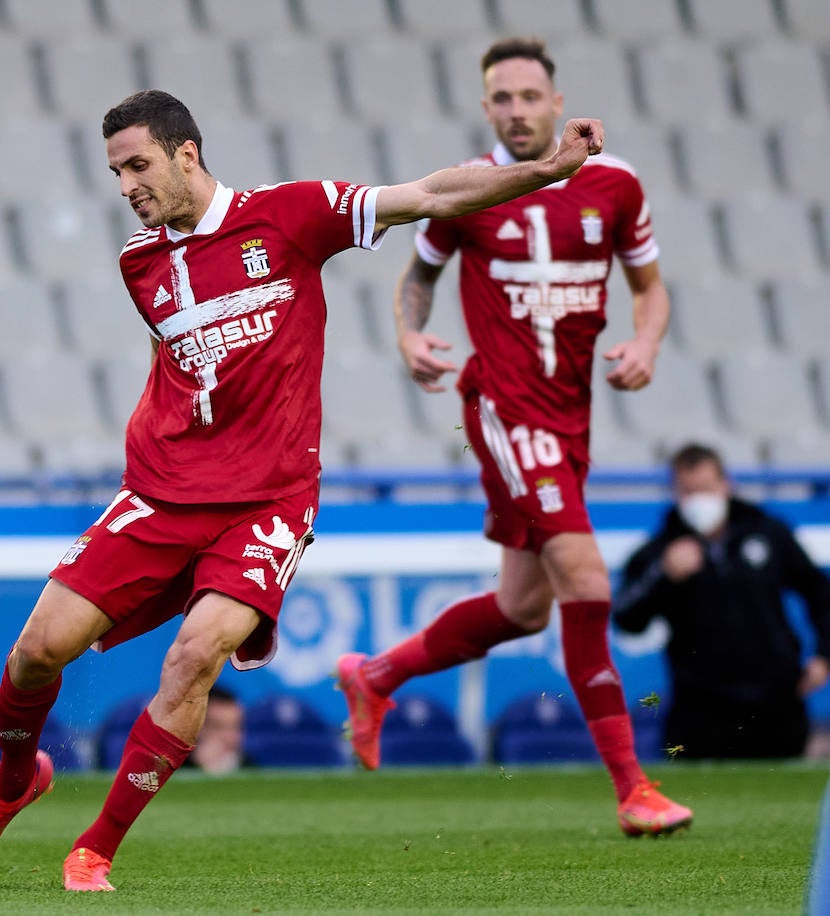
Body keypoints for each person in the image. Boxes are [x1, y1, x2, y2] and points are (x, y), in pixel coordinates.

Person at [0, 87, 610, 893]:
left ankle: (94, 848)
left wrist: (548, 170)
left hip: (267, 502)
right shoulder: (140, 262)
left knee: (196, 654)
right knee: (35, 653)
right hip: (162, 494)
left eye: (137, 165)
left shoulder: (294, 215)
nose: (126, 184)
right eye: (115, 171)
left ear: (186, 154)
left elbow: (429, 196)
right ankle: (16, 780)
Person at [335, 37, 692, 838]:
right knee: (586, 577)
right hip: (501, 406)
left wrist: (647, 341)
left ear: (557, 103)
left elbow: (651, 286)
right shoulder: (474, 188)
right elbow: (418, 275)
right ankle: (634, 789)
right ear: (487, 107)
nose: (518, 111)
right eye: (502, 98)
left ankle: (375, 675)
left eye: (531, 96)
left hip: (570, 418)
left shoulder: (617, 185)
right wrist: (408, 335)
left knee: (525, 606)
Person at [615, 443, 830, 759]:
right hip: (700, 711)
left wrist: (824, 656)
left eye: (704, 489)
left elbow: (819, 593)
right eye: (687, 491)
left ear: (725, 485)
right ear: (675, 493)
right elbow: (626, 618)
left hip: (776, 704)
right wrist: (663, 575)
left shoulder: (768, 533)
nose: (697, 501)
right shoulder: (659, 551)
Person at [184, 685, 249, 774]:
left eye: (237, 727)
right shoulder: (166, 766)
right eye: (218, 728)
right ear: (194, 727)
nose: (232, 738)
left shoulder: (250, 764)